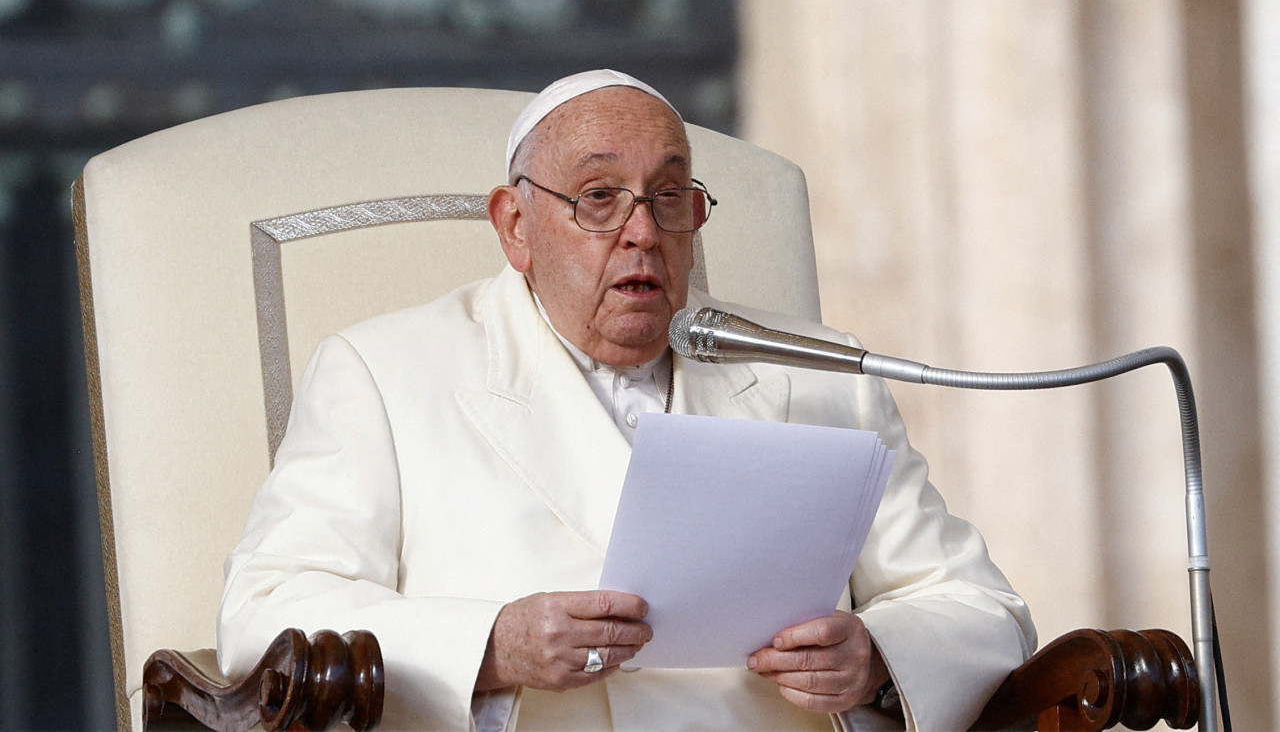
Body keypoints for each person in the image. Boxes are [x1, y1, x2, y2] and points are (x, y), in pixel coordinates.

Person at [218, 69, 1036, 731]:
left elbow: (983, 607)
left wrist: (879, 655)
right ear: (516, 226)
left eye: (669, 196)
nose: (642, 231)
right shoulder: (382, 371)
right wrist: (491, 645)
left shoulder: (817, 374)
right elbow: (264, 613)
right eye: (598, 197)